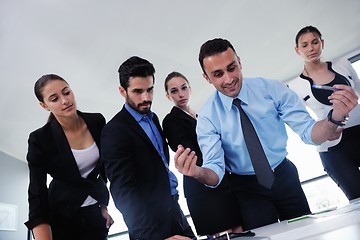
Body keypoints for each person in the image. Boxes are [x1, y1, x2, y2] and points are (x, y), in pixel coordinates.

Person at [174, 38, 358, 230]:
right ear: (207, 78)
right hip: (247, 189)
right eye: (218, 74)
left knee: (306, 231)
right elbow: (215, 171)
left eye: (232, 68)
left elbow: (309, 133)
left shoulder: (271, 90)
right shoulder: (207, 117)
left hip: (284, 175)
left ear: (239, 62)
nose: (228, 79)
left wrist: (334, 118)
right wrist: (197, 172)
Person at [101, 57, 195, 240]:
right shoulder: (114, 131)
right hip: (150, 226)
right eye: (137, 91)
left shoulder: (153, 119)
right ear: (122, 91)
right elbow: (123, 192)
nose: (146, 98)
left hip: (174, 210)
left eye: (150, 90)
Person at [25, 74, 114, 240]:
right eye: (54, 99)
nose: (65, 100)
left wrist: (103, 204)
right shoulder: (40, 139)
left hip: (96, 216)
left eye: (66, 92)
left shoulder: (97, 121)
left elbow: (103, 169)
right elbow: (37, 192)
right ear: (44, 105)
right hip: (61, 217)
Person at [162, 71, 243, 237]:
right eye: (174, 91)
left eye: (183, 88)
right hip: (199, 182)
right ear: (168, 96)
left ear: (190, 89)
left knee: (238, 230)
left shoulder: (199, 116)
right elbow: (188, 151)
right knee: (223, 233)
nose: (181, 94)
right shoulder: (171, 120)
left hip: (220, 179)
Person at [288, 25, 360, 200]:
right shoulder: (295, 86)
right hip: (333, 148)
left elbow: (358, 92)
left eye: (315, 42)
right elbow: (303, 125)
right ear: (297, 50)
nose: (311, 48)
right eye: (304, 45)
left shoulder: (342, 64)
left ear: (322, 43)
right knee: (357, 197)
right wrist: (326, 130)